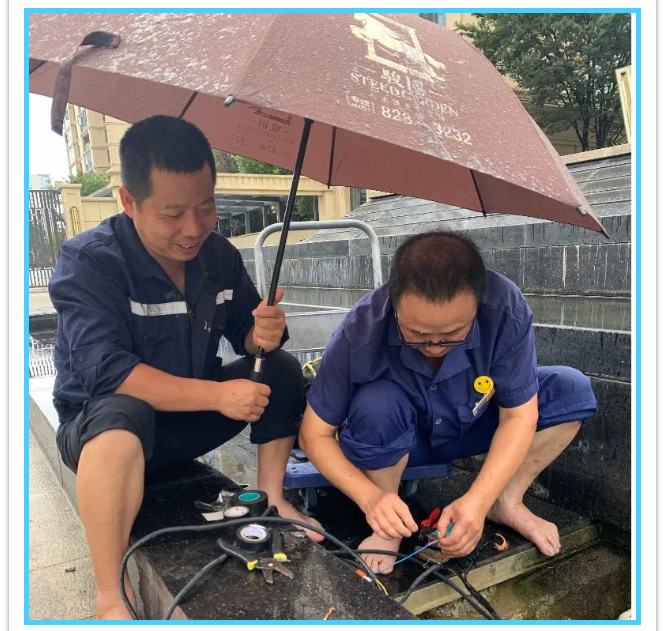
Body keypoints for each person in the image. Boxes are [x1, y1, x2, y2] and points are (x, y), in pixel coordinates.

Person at [49, 115, 322, 620]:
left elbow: (245, 331)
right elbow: (108, 374)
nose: (193, 229)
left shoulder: (217, 256)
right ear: (129, 201)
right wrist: (218, 396)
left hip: (185, 423)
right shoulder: (91, 262)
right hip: (105, 439)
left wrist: (262, 331)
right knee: (122, 413)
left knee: (280, 369)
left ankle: (272, 497)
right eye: (172, 214)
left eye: (206, 207)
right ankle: (110, 591)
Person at [299, 231, 597, 574]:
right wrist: (371, 498)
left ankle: (506, 500)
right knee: (376, 405)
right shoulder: (360, 329)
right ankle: (387, 523)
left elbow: (518, 416)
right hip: (399, 443)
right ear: (394, 302)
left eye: (453, 334)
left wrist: (478, 501)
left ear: (478, 302)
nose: (434, 347)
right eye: (418, 335)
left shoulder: (505, 308)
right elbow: (313, 434)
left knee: (571, 389)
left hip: (472, 425)